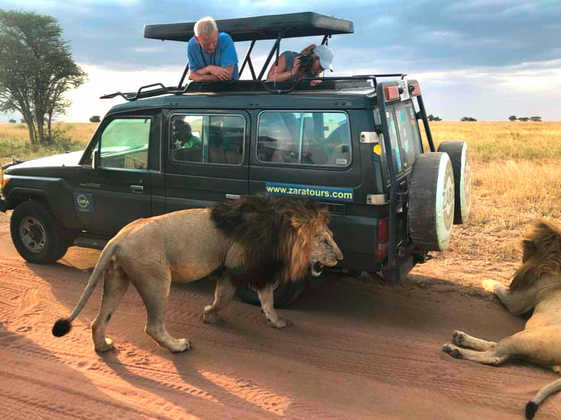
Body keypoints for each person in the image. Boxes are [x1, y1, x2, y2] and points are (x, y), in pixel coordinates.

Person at [187, 16, 239, 81]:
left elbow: (227, 76)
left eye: (214, 42)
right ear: (197, 39)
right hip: (202, 90)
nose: (211, 47)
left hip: (229, 89)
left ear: (217, 33)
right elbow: (191, 75)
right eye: (206, 44)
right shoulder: (192, 45)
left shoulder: (225, 39)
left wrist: (199, 77)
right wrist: (209, 69)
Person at [266, 44, 334, 85]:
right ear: (314, 58)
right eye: (321, 67)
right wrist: (292, 72)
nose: (320, 71)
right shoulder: (288, 57)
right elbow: (270, 79)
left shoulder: (312, 74)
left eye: (323, 69)